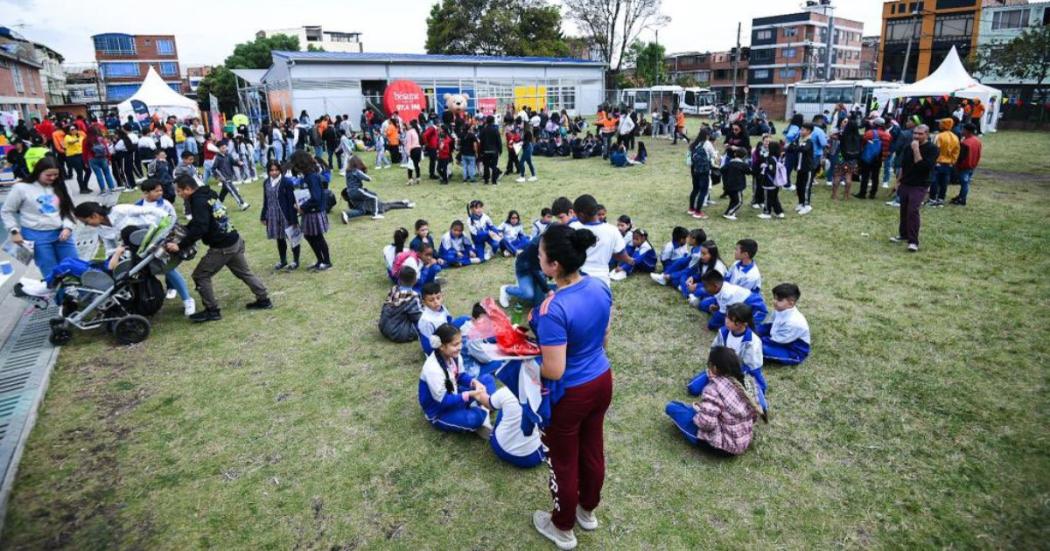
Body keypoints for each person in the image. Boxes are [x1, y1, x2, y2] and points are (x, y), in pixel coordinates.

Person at [530, 223, 613, 549]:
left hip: (571, 394)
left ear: (555, 266)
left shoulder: (552, 310)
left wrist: (527, 358)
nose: (538, 259)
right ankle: (587, 511)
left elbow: (555, 368)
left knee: (563, 461)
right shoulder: (598, 286)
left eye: (540, 255)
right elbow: (604, 336)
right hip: (601, 380)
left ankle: (562, 527)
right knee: (592, 449)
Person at [165, 175, 271, 322]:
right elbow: (201, 221)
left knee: (200, 275)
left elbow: (201, 227)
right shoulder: (209, 193)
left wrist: (180, 245)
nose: (178, 194)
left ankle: (212, 310)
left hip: (222, 247)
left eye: (179, 191)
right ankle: (264, 299)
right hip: (234, 240)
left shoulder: (197, 201)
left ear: (188, 189)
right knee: (244, 272)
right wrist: (185, 229)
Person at [72, 196, 196, 317]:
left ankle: (187, 300)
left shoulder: (119, 210)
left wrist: (163, 228)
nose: (86, 225)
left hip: (151, 240)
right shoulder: (101, 228)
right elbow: (109, 247)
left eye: (86, 222)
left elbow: (151, 211)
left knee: (168, 269)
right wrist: (112, 259)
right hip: (134, 251)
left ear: (94, 215)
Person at [664, 347, 763, 456]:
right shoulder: (748, 382)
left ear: (714, 368)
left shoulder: (714, 389)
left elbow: (706, 423)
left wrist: (698, 414)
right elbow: (753, 417)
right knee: (689, 410)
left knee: (672, 407)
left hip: (722, 447)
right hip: (743, 441)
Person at [1, 158, 78, 277]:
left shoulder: (63, 186)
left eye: (56, 175)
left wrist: (68, 227)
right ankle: (58, 295)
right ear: (38, 172)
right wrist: (14, 230)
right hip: (36, 237)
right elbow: (7, 211)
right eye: (48, 175)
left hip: (62, 234)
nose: (52, 178)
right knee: (51, 273)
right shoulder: (21, 188)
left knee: (74, 267)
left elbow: (70, 210)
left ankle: (80, 294)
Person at [418, 322, 496, 434]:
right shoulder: (433, 369)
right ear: (441, 346)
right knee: (474, 419)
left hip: (455, 394)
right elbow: (444, 401)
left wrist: (474, 383)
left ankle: (480, 409)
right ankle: (481, 411)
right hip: (440, 410)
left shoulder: (454, 356)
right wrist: (470, 394)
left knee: (486, 379)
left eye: (460, 343)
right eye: (455, 344)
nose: (460, 347)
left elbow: (460, 375)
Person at [687, 304, 766, 409]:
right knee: (693, 388)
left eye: (730, 320)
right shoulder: (723, 332)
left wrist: (733, 376)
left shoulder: (752, 342)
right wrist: (713, 368)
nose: (726, 321)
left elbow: (753, 368)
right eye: (727, 317)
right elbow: (714, 351)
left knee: (759, 405)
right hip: (720, 370)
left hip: (742, 375)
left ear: (743, 324)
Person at [891, 124, 938, 252]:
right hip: (906, 182)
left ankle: (913, 241)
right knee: (904, 210)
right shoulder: (908, 147)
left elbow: (924, 167)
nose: (916, 136)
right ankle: (903, 234)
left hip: (920, 184)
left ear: (927, 134)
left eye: (920, 134)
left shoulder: (932, 149)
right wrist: (898, 182)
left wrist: (916, 150)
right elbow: (903, 166)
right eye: (915, 133)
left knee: (913, 211)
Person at [569, 194, 629, 288]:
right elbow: (620, 254)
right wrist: (631, 261)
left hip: (576, 278)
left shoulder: (573, 227)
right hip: (601, 280)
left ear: (580, 215)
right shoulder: (612, 230)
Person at [288, 151, 332, 271]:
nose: (294, 167)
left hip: (315, 211)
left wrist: (302, 207)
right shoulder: (308, 176)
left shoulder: (312, 177)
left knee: (317, 237)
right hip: (310, 211)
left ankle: (326, 261)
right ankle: (320, 260)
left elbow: (316, 198)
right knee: (310, 236)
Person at [259, 160, 301, 270]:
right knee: (279, 239)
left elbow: (292, 201)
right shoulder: (266, 182)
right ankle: (283, 260)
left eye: (276, 170)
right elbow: (266, 199)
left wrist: (293, 219)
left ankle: (296, 261)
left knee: (292, 238)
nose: (274, 172)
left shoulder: (286, 182)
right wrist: (263, 215)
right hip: (272, 214)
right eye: (271, 170)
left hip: (285, 214)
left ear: (280, 170)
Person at [756, 283, 811, 366]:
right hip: (778, 340)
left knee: (758, 348)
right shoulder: (780, 309)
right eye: (774, 298)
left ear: (791, 303)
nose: (774, 302)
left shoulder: (793, 323)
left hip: (792, 351)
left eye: (779, 300)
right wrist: (752, 332)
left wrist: (753, 340)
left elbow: (775, 341)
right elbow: (768, 326)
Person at [698, 269, 767, 331]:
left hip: (755, 307)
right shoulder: (721, 287)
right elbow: (724, 304)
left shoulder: (726, 294)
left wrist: (710, 326)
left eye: (706, 286)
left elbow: (720, 316)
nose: (704, 289)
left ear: (715, 286)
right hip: (742, 305)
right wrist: (718, 307)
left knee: (742, 328)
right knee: (705, 305)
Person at [379, 267, 423, 343]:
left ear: (399, 279)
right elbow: (418, 318)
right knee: (425, 325)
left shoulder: (394, 290)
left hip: (383, 327)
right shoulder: (412, 297)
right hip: (398, 333)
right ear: (415, 280)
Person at [856, 118, 891, 200]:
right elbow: (887, 147)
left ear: (875, 124)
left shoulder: (869, 133)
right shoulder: (887, 135)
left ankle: (862, 193)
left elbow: (863, 144)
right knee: (875, 176)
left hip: (868, 157)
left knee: (865, 175)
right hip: (879, 158)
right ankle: (872, 194)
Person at [929, 118, 960, 207]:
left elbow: (935, 149)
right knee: (944, 182)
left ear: (943, 125)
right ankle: (941, 199)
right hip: (949, 164)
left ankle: (932, 199)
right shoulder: (955, 137)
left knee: (934, 181)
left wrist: (933, 161)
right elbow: (956, 151)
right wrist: (952, 162)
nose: (939, 125)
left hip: (938, 162)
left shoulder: (939, 136)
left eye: (940, 123)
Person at [951, 123, 982, 206]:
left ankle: (962, 199)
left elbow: (961, 157)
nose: (962, 131)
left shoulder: (965, 143)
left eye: (963, 129)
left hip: (965, 167)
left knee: (964, 183)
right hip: (972, 165)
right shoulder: (977, 141)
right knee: (966, 182)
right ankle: (961, 196)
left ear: (967, 131)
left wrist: (958, 166)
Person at [213, 140, 249, 211]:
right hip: (224, 178)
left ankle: (217, 205)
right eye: (223, 148)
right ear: (219, 149)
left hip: (230, 176)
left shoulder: (228, 155)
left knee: (224, 192)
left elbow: (233, 162)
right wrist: (218, 177)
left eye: (225, 147)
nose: (225, 149)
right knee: (233, 191)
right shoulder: (217, 158)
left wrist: (239, 163)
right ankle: (242, 204)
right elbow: (213, 168)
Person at [687, 129, 714, 219]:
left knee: (695, 189)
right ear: (707, 135)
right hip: (704, 170)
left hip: (694, 169)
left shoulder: (694, 144)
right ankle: (698, 211)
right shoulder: (707, 144)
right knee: (703, 190)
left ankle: (691, 208)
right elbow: (713, 155)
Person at [84, 127, 117, 194]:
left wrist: (85, 162)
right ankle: (111, 187)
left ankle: (103, 189)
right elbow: (106, 149)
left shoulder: (85, 140)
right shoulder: (100, 139)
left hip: (92, 159)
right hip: (103, 158)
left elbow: (85, 152)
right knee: (107, 173)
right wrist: (109, 158)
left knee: (98, 175)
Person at [721, 147, 751, 221]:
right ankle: (729, 213)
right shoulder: (743, 165)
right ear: (744, 156)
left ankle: (729, 211)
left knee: (733, 200)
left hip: (728, 185)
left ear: (735, 154)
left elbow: (722, 169)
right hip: (737, 186)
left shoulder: (730, 163)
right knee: (739, 202)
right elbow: (749, 172)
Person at [758, 141, 786, 219]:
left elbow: (772, 170)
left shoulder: (770, 159)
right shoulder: (777, 157)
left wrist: (765, 166)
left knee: (767, 198)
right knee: (774, 198)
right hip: (776, 182)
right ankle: (779, 212)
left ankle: (767, 212)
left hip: (770, 182)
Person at [63, 126, 89, 194]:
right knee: (79, 173)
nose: (74, 130)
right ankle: (82, 189)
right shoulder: (67, 137)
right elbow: (70, 142)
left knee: (88, 171)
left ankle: (85, 186)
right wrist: (77, 140)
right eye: (72, 129)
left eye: (75, 129)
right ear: (69, 131)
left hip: (81, 155)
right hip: (73, 157)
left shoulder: (80, 137)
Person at [479, 116, 503, 185]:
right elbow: (499, 141)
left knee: (486, 166)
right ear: (493, 121)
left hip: (485, 150)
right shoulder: (495, 130)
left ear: (486, 121)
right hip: (494, 151)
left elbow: (481, 141)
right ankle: (494, 181)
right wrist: (500, 150)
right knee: (494, 165)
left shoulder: (483, 130)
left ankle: (486, 180)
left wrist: (481, 151)